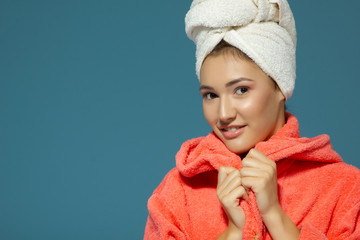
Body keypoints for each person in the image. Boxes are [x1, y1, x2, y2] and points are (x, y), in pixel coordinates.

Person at [144, 0, 360, 239]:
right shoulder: (177, 191)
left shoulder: (345, 188)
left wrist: (274, 216)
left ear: (280, 86)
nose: (224, 113)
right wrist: (235, 232)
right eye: (211, 95)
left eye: (241, 90)